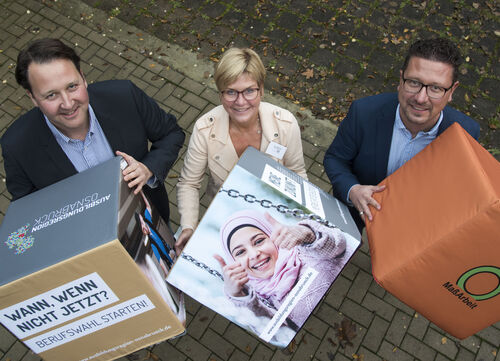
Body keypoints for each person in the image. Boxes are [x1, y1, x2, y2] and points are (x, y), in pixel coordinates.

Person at [1, 38, 184, 222]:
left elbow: (171, 133)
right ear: (32, 97)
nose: (68, 103)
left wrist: (148, 168)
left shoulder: (125, 96)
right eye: (51, 95)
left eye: (72, 86)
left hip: (150, 221)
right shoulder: (17, 146)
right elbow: (27, 209)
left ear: (83, 77)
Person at [323, 38, 480, 230]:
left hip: (414, 224)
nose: (421, 98)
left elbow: (458, 191)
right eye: (414, 82)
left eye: (436, 88)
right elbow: (335, 159)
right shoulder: (363, 112)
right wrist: (353, 190)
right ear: (400, 80)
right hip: (356, 208)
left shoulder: (465, 134)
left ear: (452, 91)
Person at [175, 48, 307, 252]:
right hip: (226, 224)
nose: (240, 101)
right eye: (230, 92)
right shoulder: (204, 129)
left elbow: (297, 173)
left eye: (249, 90)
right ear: (220, 93)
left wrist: (299, 221)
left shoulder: (286, 124)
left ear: (261, 89)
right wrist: (189, 227)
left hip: (275, 223)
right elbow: (189, 183)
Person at [214, 210, 348, 330]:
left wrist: (308, 236)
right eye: (240, 252)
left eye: (259, 241)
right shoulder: (257, 298)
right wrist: (238, 296)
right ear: (234, 262)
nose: (254, 254)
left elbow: (340, 245)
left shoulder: (304, 247)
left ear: (271, 235)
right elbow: (277, 333)